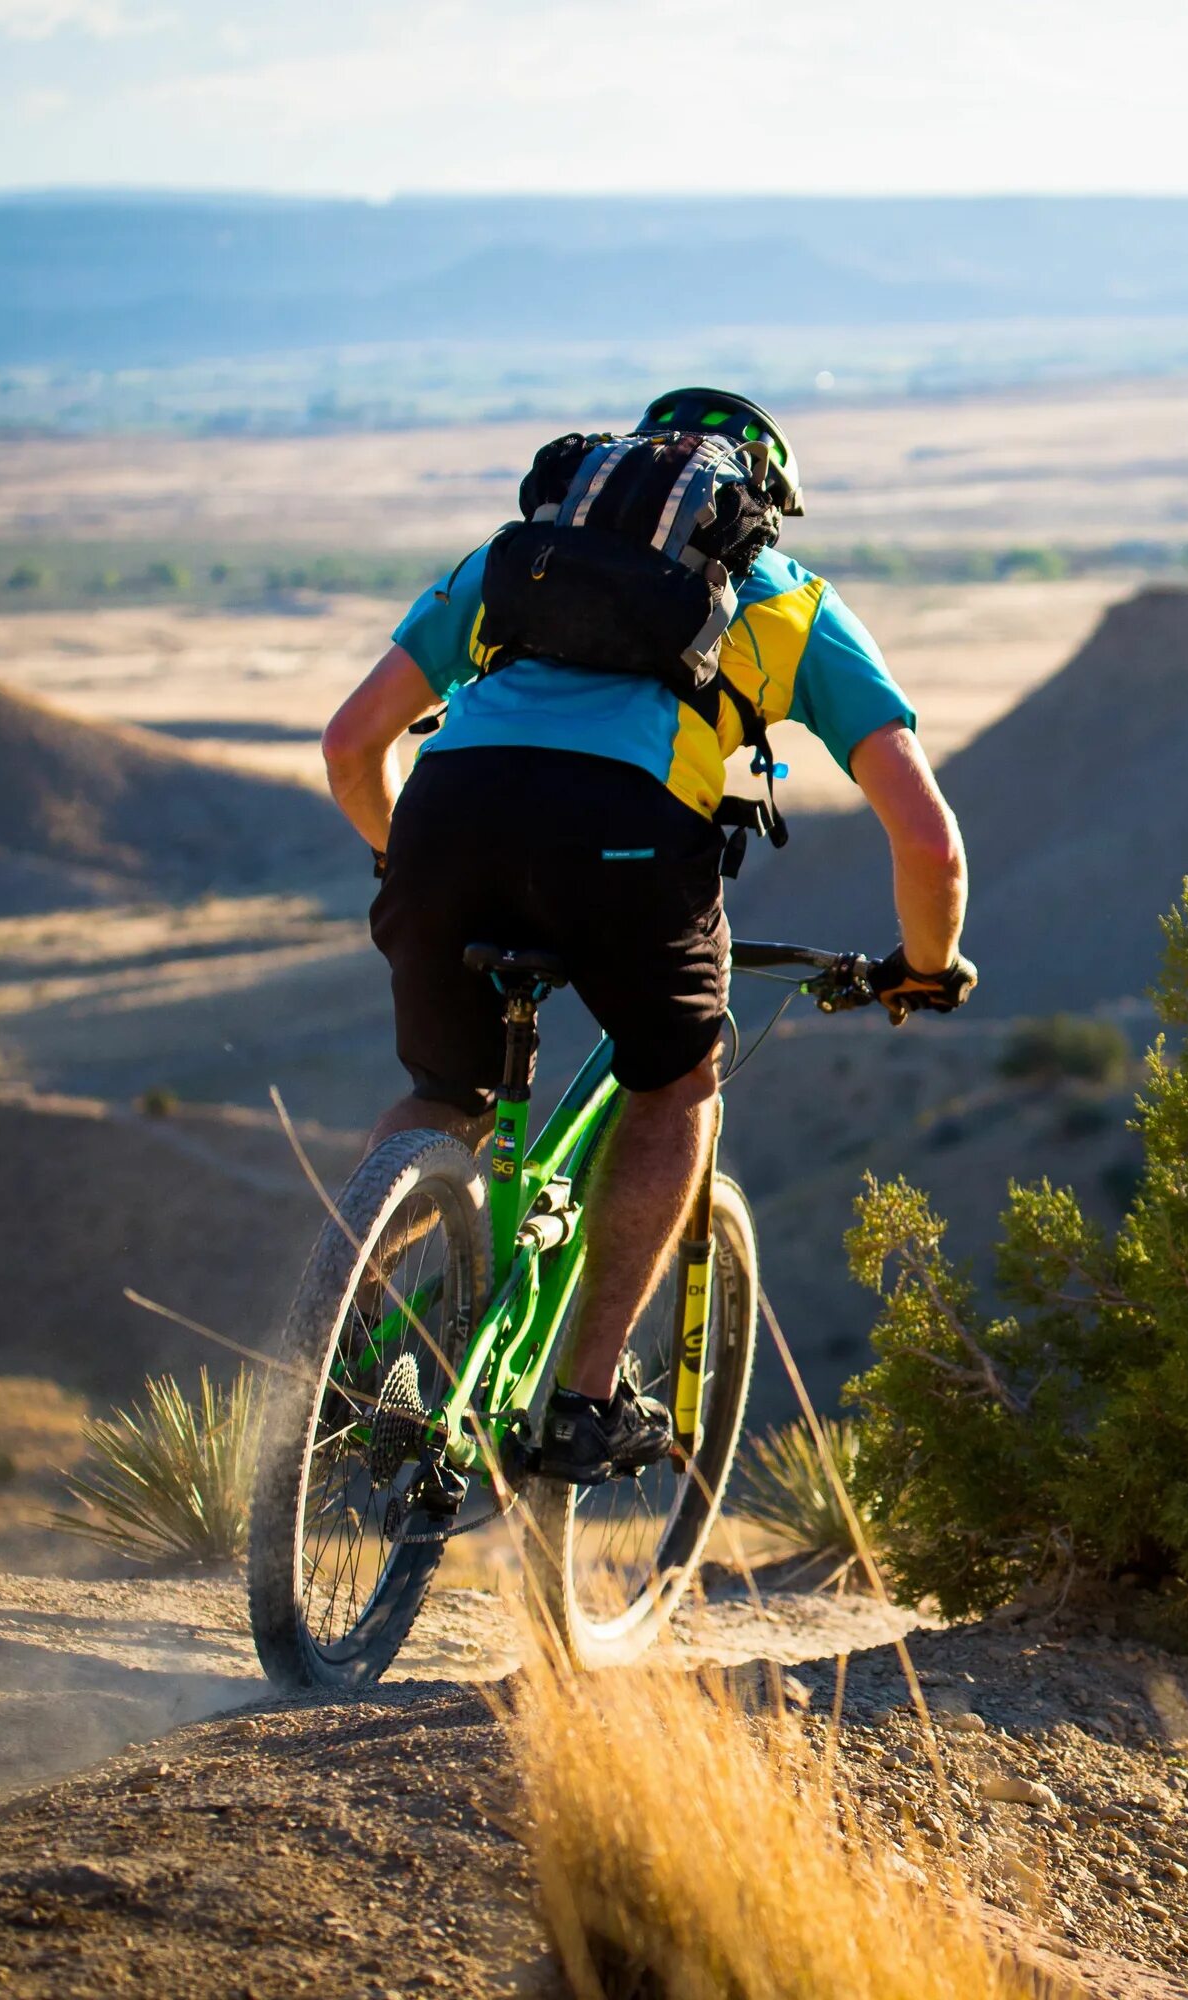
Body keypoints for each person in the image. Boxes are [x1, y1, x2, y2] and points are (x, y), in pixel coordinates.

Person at [317, 388, 972, 1483]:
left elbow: (349, 743)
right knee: (675, 1084)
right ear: (756, 502)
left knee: (446, 1094)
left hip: (446, 818)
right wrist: (925, 965)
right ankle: (581, 1402)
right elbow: (929, 840)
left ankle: (331, 1341)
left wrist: (414, 863)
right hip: (621, 844)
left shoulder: (512, 560)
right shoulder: (788, 597)